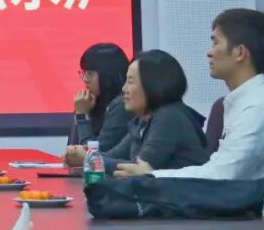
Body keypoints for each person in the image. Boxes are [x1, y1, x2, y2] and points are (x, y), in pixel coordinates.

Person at [116, 9, 264, 223]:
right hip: (246, 220)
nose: (209, 52)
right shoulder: (242, 102)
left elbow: (221, 176)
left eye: (215, 42)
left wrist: (151, 177)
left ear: (239, 53)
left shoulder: (258, 108)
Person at [65, 49, 208, 173]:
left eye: (131, 82)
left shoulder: (170, 117)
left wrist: (88, 158)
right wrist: (83, 156)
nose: (124, 89)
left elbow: (138, 168)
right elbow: (112, 156)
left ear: (153, 85)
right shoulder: (143, 120)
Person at [67, 43, 131, 151]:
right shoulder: (91, 102)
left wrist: (82, 116)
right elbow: (72, 150)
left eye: (90, 74)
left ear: (107, 74)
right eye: (84, 73)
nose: (85, 79)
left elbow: (94, 154)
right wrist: (80, 113)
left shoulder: (121, 105)